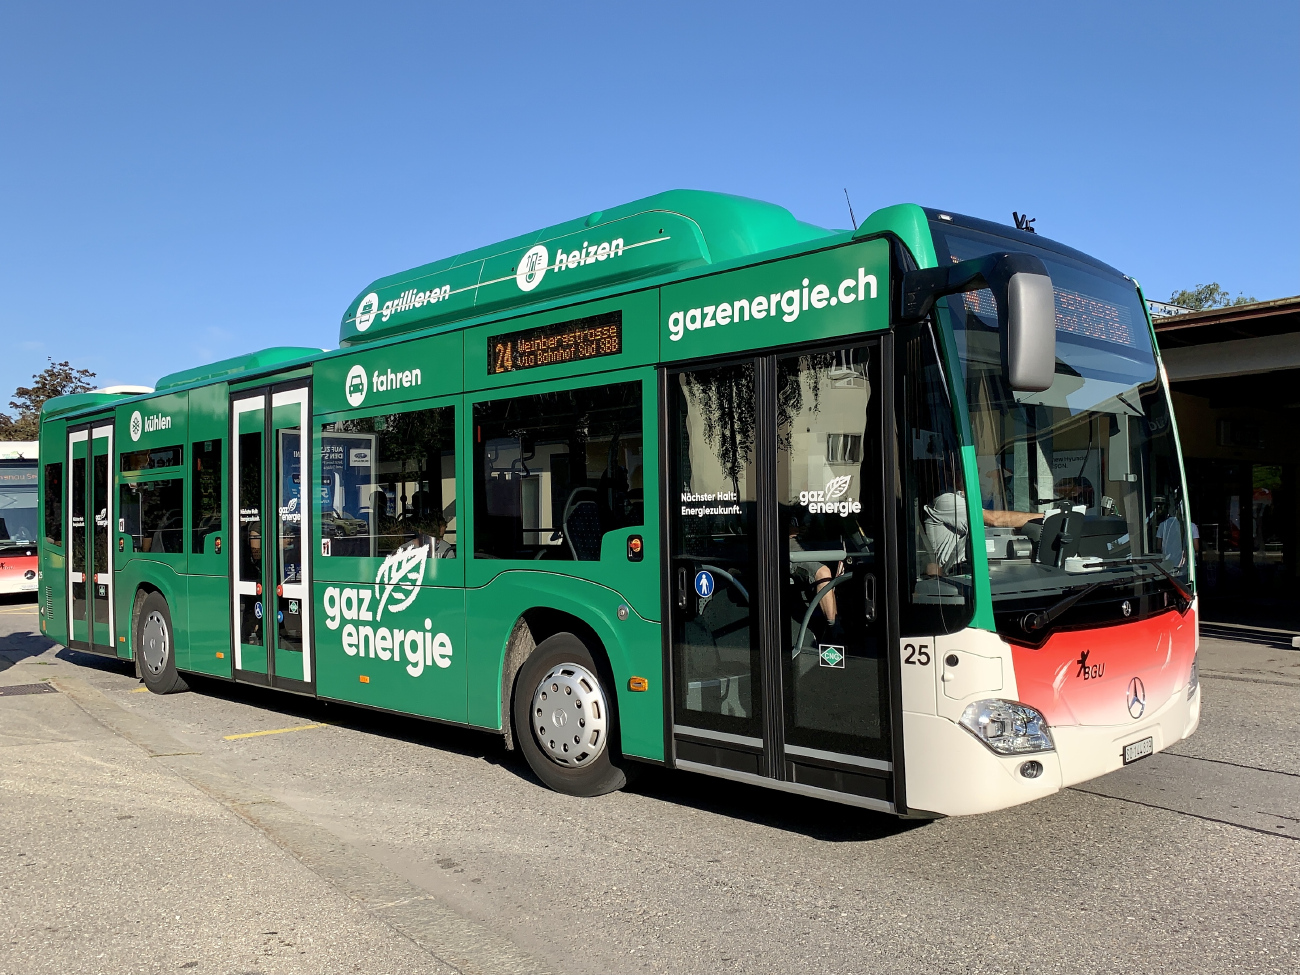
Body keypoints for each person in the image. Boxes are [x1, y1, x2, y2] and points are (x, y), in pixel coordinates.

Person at [923, 490, 1043, 576]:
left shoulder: (975, 500)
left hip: (991, 569)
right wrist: (1046, 516)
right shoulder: (946, 501)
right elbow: (994, 520)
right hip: (958, 575)